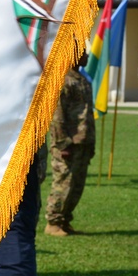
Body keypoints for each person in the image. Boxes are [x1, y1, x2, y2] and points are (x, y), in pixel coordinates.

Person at [45, 55, 95, 236]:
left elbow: (87, 114)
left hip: (82, 140)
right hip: (68, 142)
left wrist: (91, 142)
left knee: (76, 184)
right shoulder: (62, 79)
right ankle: (53, 221)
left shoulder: (81, 79)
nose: (87, 56)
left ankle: (64, 220)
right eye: (83, 52)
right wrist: (62, 143)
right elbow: (57, 115)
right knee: (63, 183)